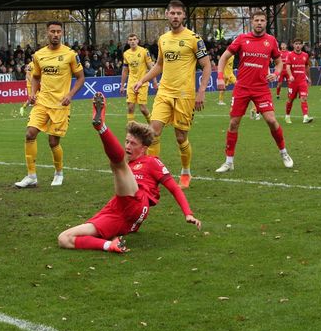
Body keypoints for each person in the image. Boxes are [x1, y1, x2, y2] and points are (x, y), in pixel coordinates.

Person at [57, 93, 201, 253]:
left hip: (137, 201)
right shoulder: (129, 163)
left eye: (133, 143)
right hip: (120, 210)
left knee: (117, 165)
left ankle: (101, 127)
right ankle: (110, 245)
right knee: (64, 238)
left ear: (144, 148)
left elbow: (174, 188)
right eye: (126, 141)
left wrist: (188, 213)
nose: (128, 146)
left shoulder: (152, 162)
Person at [133, 0, 212, 190]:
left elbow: (207, 65)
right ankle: (152, 174)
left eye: (178, 13)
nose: (175, 16)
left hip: (185, 95)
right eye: (172, 13)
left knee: (180, 137)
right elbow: (160, 65)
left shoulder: (194, 38)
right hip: (164, 92)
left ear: (183, 16)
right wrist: (142, 80)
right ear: (167, 15)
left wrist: (201, 91)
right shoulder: (163, 39)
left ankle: (185, 171)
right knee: (153, 132)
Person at [215, 10, 294, 173]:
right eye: (256, 20)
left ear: (266, 23)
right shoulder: (242, 39)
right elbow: (223, 58)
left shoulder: (271, 41)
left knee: (271, 120)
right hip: (242, 88)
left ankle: (284, 153)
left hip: (261, 88)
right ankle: (229, 161)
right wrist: (220, 77)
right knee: (233, 123)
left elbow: (279, 63)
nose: (259, 23)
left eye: (262, 20)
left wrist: (276, 73)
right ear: (252, 22)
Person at [14, 21, 85, 188]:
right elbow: (36, 77)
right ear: (47, 33)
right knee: (30, 134)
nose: (55, 34)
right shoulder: (39, 55)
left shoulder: (70, 54)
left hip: (61, 104)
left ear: (62, 33)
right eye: (52, 31)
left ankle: (59, 172)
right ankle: (31, 176)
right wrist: (32, 94)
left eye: (58, 31)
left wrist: (70, 95)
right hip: (42, 102)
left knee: (53, 142)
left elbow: (81, 77)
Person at [120, 33, 154, 123]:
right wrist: (122, 85)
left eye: (134, 39)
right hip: (131, 83)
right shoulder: (126, 54)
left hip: (142, 83)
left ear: (138, 41)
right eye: (130, 40)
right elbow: (125, 70)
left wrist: (154, 82)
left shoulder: (144, 51)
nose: (132, 41)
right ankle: (131, 129)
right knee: (130, 107)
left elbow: (151, 67)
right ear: (128, 42)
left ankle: (152, 125)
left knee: (143, 108)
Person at [284, 38, 314, 124]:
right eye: (296, 44)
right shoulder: (290, 55)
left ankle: (305, 117)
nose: (297, 45)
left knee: (303, 98)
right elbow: (288, 67)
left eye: (299, 44)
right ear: (293, 45)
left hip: (302, 81)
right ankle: (287, 116)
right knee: (290, 100)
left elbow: (307, 67)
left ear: (302, 45)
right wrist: (290, 75)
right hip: (293, 82)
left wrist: (309, 78)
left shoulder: (305, 55)